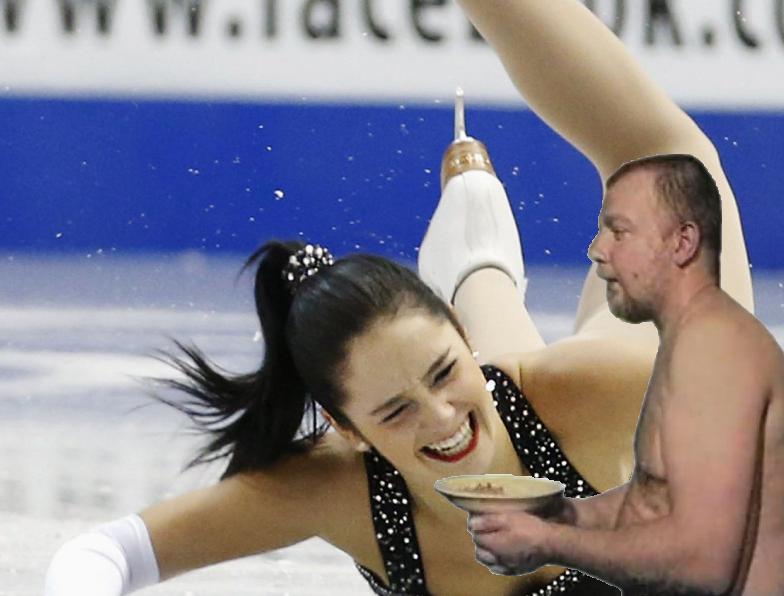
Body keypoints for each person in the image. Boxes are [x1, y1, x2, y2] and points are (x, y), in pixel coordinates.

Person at [44, 0, 755, 594]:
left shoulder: (613, 390)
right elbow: (110, 552)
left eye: (445, 371)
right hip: (535, 407)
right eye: (394, 411)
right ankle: (474, 247)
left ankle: (475, 255)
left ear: (460, 337)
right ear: (346, 429)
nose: (440, 418)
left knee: (664, 156)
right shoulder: (337, 487)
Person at [467, 153, 784, 594]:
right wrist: (567, 515)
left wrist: (549, 542)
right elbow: (657, 501)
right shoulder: (691, 340)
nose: (597, 250)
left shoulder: (715, 357)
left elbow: (702, 565)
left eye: (619, 232)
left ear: (682, 243)